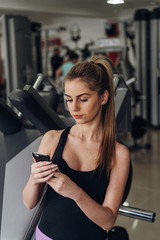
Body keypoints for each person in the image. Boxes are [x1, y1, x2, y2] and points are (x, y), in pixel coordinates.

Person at [23, 55, 130, 240]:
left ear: (103, 97)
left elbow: (107, 221)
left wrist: (74, 192)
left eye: (83, 99)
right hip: (46, 236)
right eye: (69, 99)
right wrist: (33, 179)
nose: (74, 108)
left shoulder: (119, 154)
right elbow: (29, 203)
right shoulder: (51, 139)